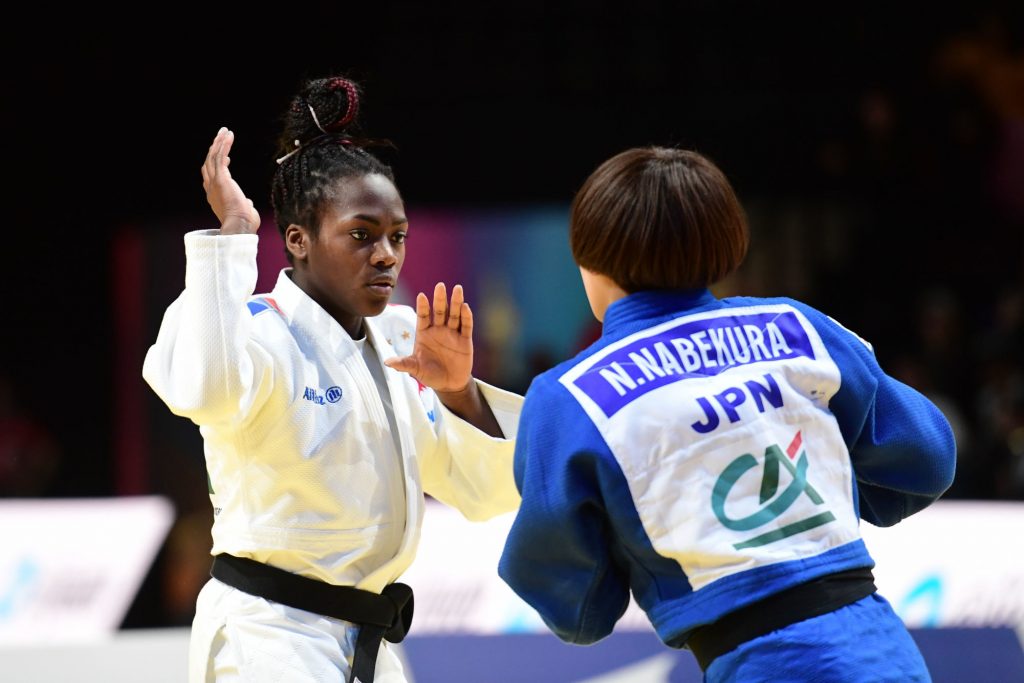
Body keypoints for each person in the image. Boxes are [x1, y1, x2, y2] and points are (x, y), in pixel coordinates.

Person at [497, 147, 957, 682]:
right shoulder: (796, 326)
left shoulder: (568, 398)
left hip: (761, 666)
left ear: (587, 257)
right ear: (723, 241)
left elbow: (575, 607)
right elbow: (929, 458)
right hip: (884, 651)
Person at [142, 75, 522, 683]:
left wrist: (459, 393)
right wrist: (233, 238)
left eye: (397, 236)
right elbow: (202, 391)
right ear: (297, 240)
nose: (387, 254)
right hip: (270, 638)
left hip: (365, 637)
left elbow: (486, 495)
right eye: (362, 235)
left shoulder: (401, 337)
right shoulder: (256, 329)